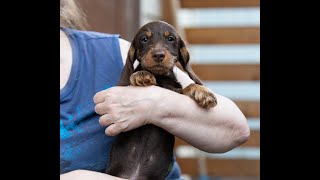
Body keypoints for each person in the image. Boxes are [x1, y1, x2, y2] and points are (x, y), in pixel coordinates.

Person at [60, 0, 250, 179]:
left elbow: (236, 130)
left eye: (168, 41)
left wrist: (155, 103)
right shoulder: (130, 64)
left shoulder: (112, 51)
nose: (159, 51)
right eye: (145, 41)